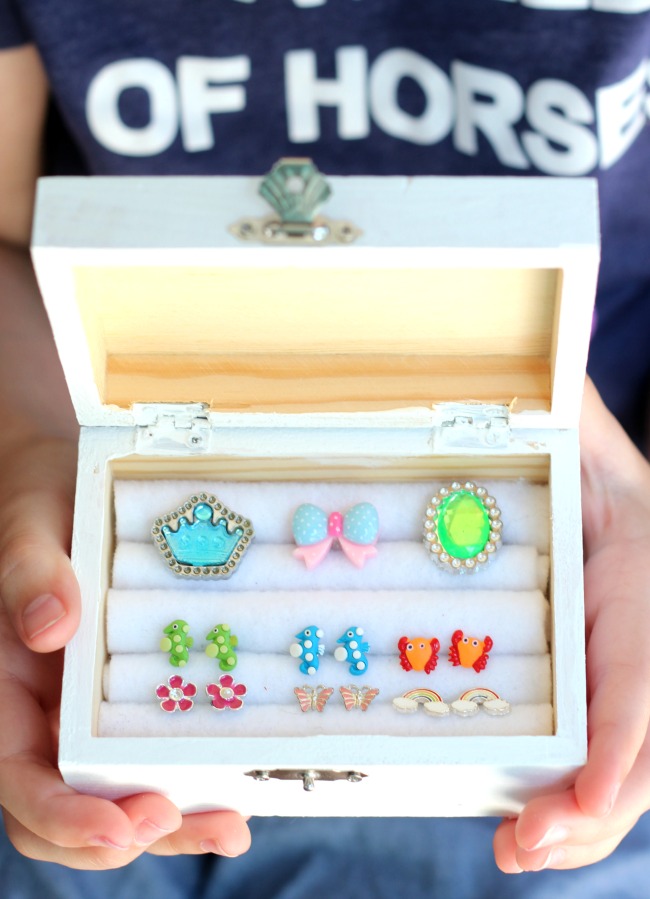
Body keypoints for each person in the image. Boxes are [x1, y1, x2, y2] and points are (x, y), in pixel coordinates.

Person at [1, 0, 650, 891]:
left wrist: (627, 496)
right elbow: (6, 231)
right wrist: (28, 445)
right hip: (107, 777)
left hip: (600, 652)